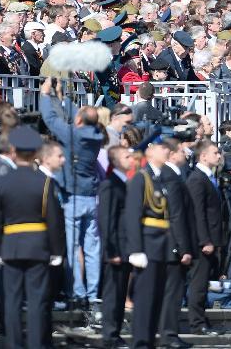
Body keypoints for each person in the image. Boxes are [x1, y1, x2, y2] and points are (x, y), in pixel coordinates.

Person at [0, 125, 65, 349]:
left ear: (13, 151)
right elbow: (54, 219)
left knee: (12, 301)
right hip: (38, 246)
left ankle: (14, 344)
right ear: (35, 153)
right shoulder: (44, 182)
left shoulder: (2, 181)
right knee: (36, 301)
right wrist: (57, 251)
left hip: (11, 245)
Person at [40, 77, 105, 307]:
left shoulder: (72, 134)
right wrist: (63, 98)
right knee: (92, 247)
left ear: (78, 120)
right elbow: (83, 116)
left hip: (73, 197)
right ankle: (93, 292)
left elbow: (49, 118)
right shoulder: (96, 135)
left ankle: (76, 292)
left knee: (72, 246)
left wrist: (45, 95)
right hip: (90, 196)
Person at [124, 131, 177, 349]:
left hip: (162, 246)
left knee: (156, 300)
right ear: (150, 150)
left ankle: (150, 342)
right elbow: (133, 215)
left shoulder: (160, 178)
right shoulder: (141, 178)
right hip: (147, 245)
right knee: (145, 300)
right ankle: (141, 343)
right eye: (163, 147)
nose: (167, 151)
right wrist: (136, 249)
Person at [158, 140, 194, 349]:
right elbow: (177, 215)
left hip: (168, 242)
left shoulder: (170, 175)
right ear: (172, 154)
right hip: (173, 243)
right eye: (181, 151)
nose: (185, 153)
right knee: (173, 291)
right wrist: (183, 247)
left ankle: (168, 332)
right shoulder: (171, 177)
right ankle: (169, 334)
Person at [186, 140, 224, 336]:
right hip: (203, 241)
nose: (219, 156)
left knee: (203, 282)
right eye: (215, 153)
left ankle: (202, 318)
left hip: (212, 238)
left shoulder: (209, 177)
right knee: (198, 283)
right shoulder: (197, 179)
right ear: (203, 156)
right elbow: (198, 213)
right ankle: (197, 323)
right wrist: (205, 240)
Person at [98, 145, 133, 349]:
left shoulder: (125, 182)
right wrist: (111, 251)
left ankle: (116, 332)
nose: (131, 159)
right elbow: (106, 220)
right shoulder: (110, 185)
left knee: (120, 294)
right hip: (116, 249)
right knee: (113, 295)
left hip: (125, 248)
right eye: (126, 156)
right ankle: (109, 335)